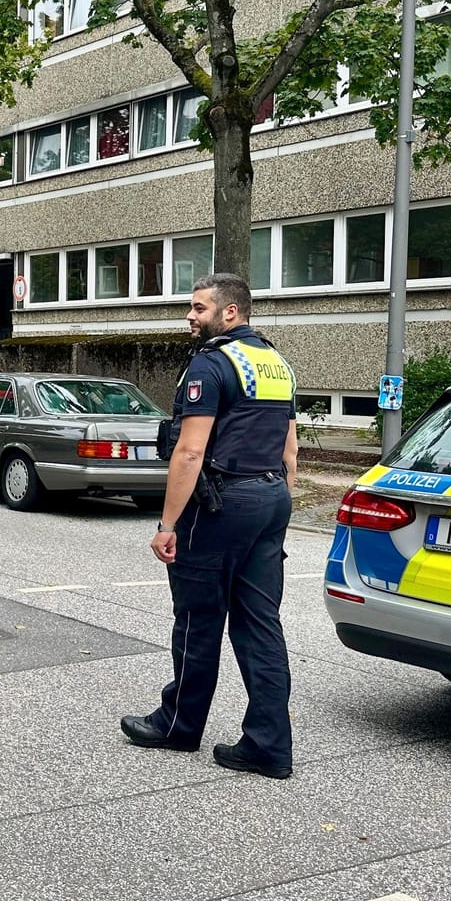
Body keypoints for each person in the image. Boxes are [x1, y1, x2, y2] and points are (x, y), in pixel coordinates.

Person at [122, 272, 300, 779]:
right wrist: (275, 505)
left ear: (230, 312)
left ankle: (179, 725)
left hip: (222, 504)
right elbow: (290, 450)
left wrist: (167, 523)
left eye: (199, 308)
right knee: (260, 624)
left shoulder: (212, 363)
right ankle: (268, 744)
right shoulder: (275, 362)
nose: (190, 316)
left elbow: (191, 449)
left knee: (199, 618)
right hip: (269, 499)